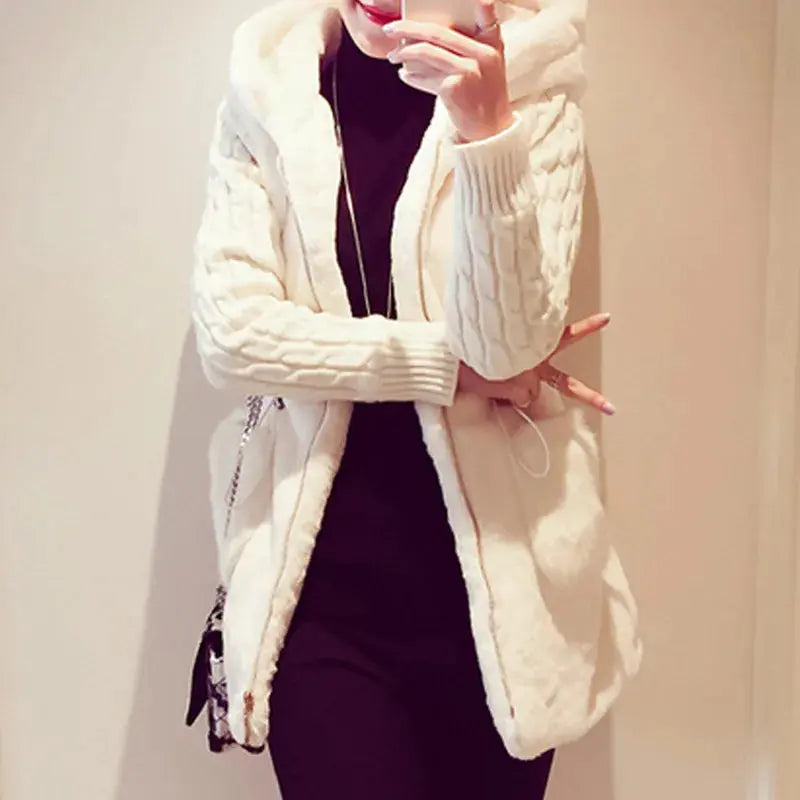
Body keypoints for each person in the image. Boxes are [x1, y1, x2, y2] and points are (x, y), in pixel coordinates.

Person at [188, 0, 643, 797]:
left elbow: (506, 348)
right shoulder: (269, 85)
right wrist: (446, 367)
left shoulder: (534, 92)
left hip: (505, 607)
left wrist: (487, 131)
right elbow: (233, 335)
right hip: (324, 600)